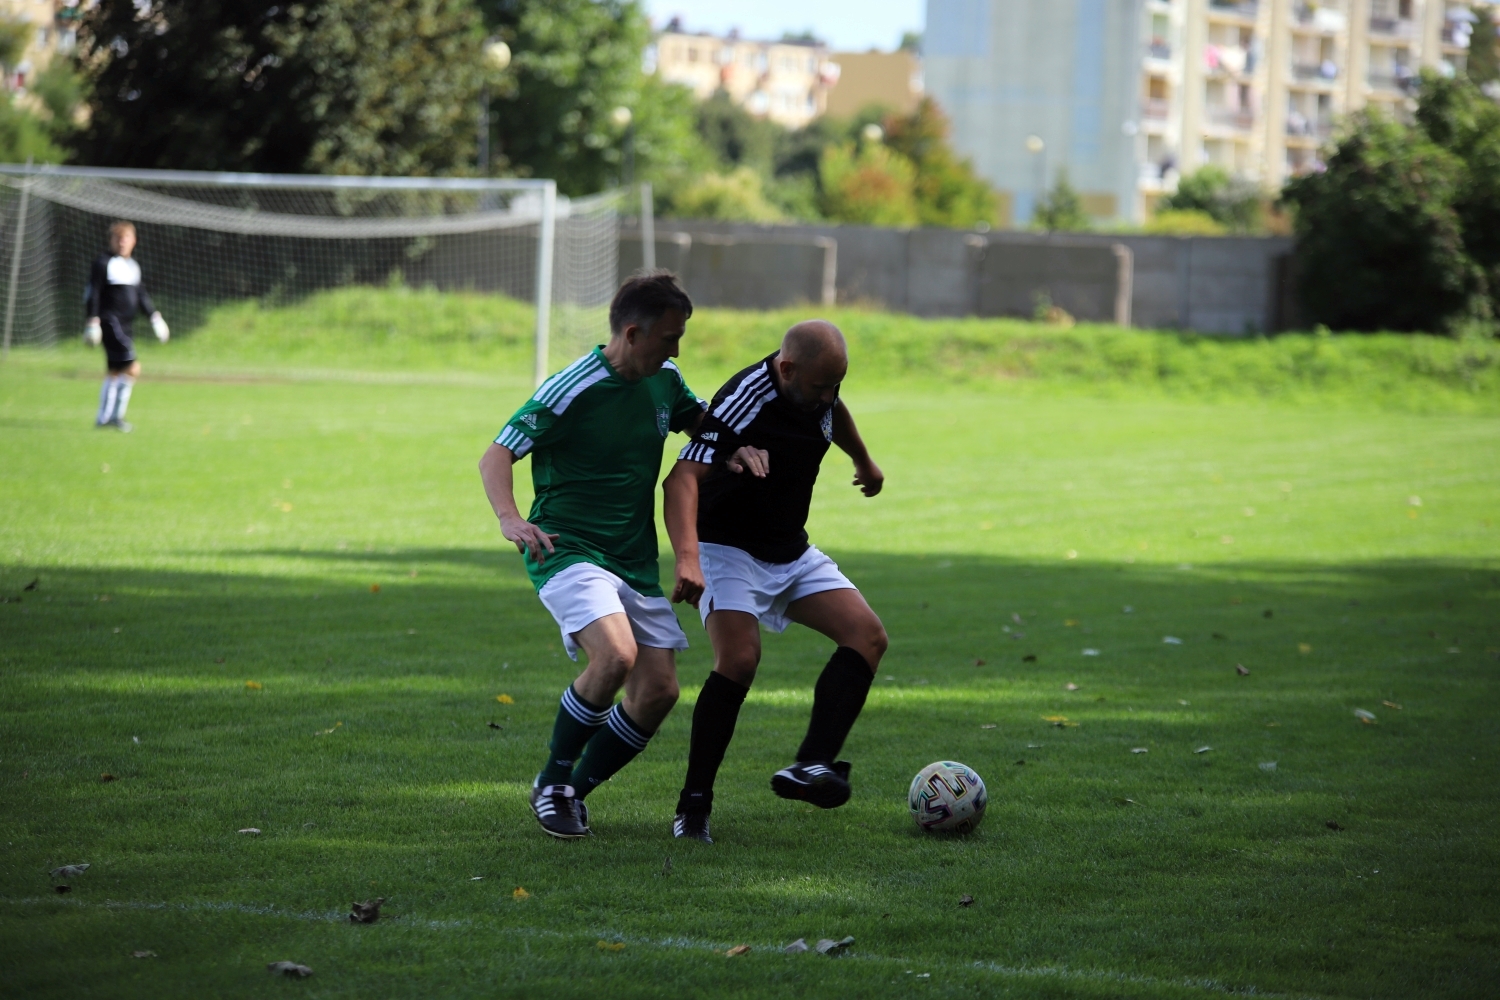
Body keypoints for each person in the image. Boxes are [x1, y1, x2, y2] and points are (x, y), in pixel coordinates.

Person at [479, 272, 726, 840]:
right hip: (567, 547)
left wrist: (742, 447)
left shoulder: (664, 378)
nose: (677, 349)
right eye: (669, 337)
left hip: (633, 557)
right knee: (614, 655)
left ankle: (570, 793)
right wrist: (511, 519)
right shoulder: (571, 386)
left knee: (659, 691)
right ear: (633, 333)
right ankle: (555, 779)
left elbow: (699, 421)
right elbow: (495, 456)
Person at [662, 319, 887, 844]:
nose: (829, 396)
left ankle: (812, 764)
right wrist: (688, 558)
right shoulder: (746, 399)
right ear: (786, 368)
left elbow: (835, 411)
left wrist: (863, 459)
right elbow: (681, 479)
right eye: (821, 386)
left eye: (838, 385)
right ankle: (693, 806)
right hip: (726, 550)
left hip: (789, 548)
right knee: (739, 660)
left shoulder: (816, 387)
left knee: (868, 636)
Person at [86, 221, 169, 432]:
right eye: (118, 239)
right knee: (132, 367)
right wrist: (92, 320)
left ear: (134, 241)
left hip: (126, 325)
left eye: (126, 239)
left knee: (114, 371)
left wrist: (155, 318)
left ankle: (104, 418)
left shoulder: (132, 266)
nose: (122, 243)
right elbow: (93, 293)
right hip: (110, 322)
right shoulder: (103, 263)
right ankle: (114, 417)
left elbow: (140, 295)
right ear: (111, 241)